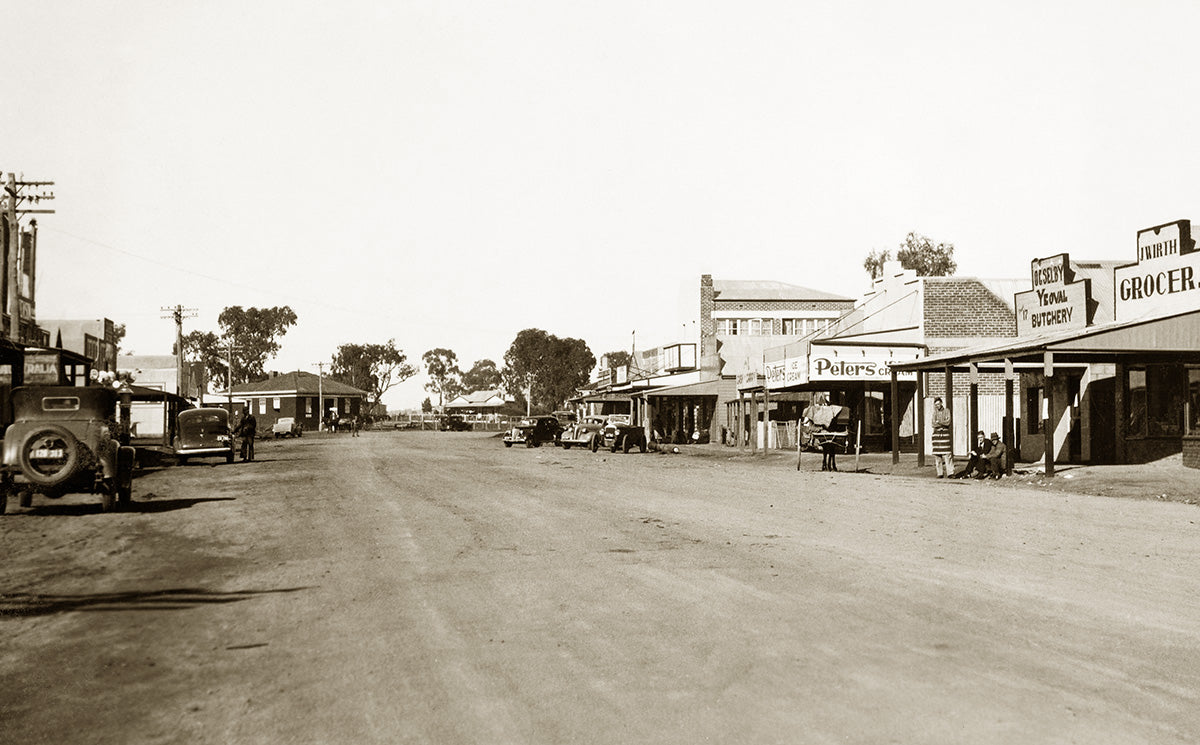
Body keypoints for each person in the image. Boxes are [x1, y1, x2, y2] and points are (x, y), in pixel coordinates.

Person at [931, 397, 953, 478]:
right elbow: (933, 424)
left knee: (947, 455)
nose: (937, 406)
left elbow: (948, 422)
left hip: (945, 435)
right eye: (936, 404)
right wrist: (941, 424)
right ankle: (939, 473)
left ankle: (950, 473)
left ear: (941, 403)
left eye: (938, 404)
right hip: (936, 436)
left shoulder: (947, 411)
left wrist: (939, 422)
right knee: (937, 456)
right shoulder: (934, 413)